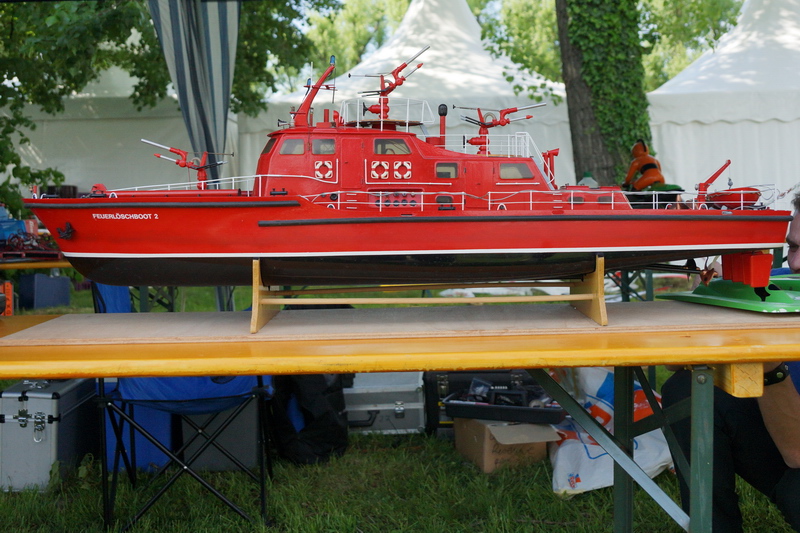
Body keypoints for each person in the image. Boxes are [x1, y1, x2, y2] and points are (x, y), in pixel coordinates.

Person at [661, 191, 800, 532]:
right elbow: (676, 364)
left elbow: (797, 454)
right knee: (689, 390)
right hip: (784, 436)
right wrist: (718, 297)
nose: (796, 263)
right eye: (794, 247)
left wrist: (769, 369)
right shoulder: (778, 284)